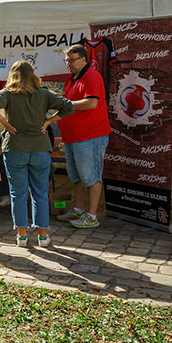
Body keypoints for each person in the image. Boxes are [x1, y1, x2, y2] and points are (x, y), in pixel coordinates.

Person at [0, 60, 75, 247]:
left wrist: (6, 124)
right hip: (40, 147)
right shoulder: (43, 93)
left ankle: (22, 236)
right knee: (40, 192)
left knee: (17, 193)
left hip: (15, 147)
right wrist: (49, 121)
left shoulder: (8, 93)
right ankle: (42, 236)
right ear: (32, 74)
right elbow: (69, 106)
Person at [55, 44, 112, 229]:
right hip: (73, 137)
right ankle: (78, 210)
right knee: (77, 177)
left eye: (72, 60)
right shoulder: (71, 79)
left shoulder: (92, 76)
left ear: (84, 59)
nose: (68, 64)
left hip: (90, 137)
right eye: (66, 60)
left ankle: (92, 215)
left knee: (92, 177)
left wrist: (66, 104)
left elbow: (91, 103)